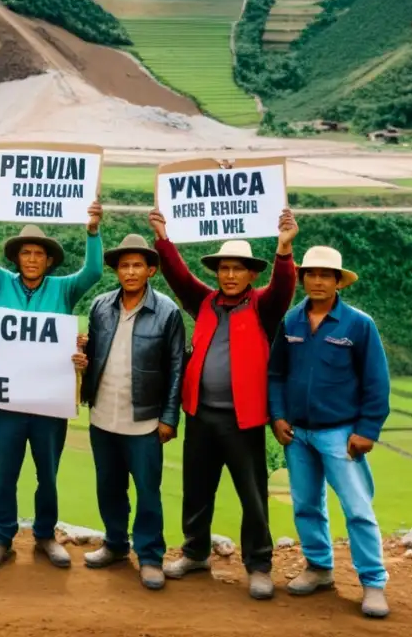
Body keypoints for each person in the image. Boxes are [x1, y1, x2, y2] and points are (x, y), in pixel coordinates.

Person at [149, 207, 298, 600]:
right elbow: (179, 276)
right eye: (224, 268)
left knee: (252, 494)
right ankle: (196, 553)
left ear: (252, 274)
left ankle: (259, 564)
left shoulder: (263, 307)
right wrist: (163, 238)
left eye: (238, 268)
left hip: (243, 419)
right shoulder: (205, 302)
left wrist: (284, 250)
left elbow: (284, 289)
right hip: (200, 415)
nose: (230, 275)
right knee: (196, 489)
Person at [0, 191, 104, 570]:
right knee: (4, 474)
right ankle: (0, 538)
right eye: (25, 253)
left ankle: (45, 535)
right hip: (5, 403)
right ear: (16, 258)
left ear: (49, 260)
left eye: (39, 254)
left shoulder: (63, 289)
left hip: (48, 402)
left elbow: (93, 272)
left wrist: (93, 232)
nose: (32, 260)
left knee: (48, 474)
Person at [268, 246, 391, 619]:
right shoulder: (291, 321)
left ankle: (373, 583)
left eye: (325, 275)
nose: (317, 281)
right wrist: (277, 416)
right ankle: (319, 568)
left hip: (341, 434)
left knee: (357, 510)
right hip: (298, 434)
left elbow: (376, 381)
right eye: (311, 274)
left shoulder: (358, 324)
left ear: (339, 281)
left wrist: (367, 429)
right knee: (306, 505)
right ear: (303, 278)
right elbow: (276, 374)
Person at [75, 233, 185, 590]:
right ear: (117, 271)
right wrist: (82, 357)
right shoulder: (100, 306)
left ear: (150, 270)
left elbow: (175, 368)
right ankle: (116, 544)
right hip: (104, 414)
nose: (131, 271)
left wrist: (169, 417)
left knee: (148, 492)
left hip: (146, 419)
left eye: (138, 264)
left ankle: (151, 557)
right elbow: (95, 356)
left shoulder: (167, 311)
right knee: (109, 487)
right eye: (125, 265)